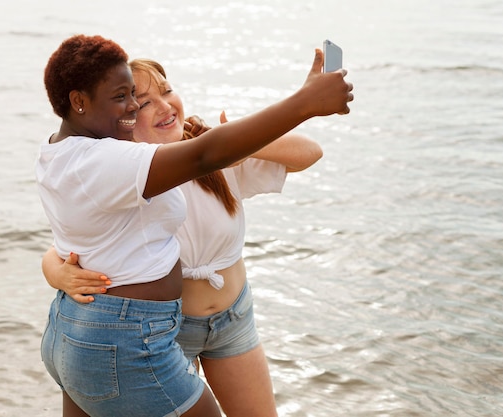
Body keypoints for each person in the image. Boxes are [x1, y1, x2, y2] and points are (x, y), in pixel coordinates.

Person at [37, 34, 353, 417]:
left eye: (166, 91)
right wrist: (59, 274)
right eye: (135, 100)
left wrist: (239, 141)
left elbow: (307, 153)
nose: (154, 106)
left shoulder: (209, 154)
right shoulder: (125, 168)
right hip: (168, 328)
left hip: (232, 318)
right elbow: (67, 249)